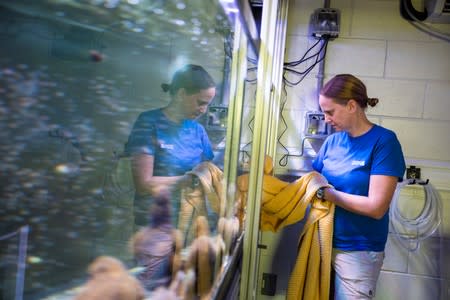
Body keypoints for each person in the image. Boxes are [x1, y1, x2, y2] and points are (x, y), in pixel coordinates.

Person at [312, 74, 406, 299]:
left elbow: (376, 207)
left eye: (330, 111)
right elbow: (312, 181)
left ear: (352, 106)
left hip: (358, 251)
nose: (325, 119)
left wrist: (328, 194)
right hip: (322, 241)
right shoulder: (332, 142)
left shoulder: (384, 142)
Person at [125, 64, 216, 227]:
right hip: (154, 221)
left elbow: (209, 171)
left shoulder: (198, 131)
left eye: (208, 104)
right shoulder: (149, 122)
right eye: (201, 102)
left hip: (188, 221)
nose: (204, 110)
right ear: (181, 94)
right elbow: (143, 184)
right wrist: (190, 180)